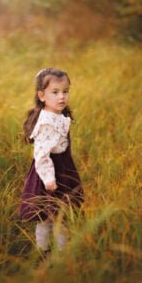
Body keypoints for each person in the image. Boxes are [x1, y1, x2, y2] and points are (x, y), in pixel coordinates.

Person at [19, 68, 84, 253]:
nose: (61, 97)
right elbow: (41, 155)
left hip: (62, 169)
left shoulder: (58, 114)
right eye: (55, 92)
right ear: (42, 95)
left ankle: (57, 251)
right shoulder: (47, 122)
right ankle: (45, 251)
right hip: (49, 174)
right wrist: (49, 179)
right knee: (51, 215)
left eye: (65, 91)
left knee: (59, 214)